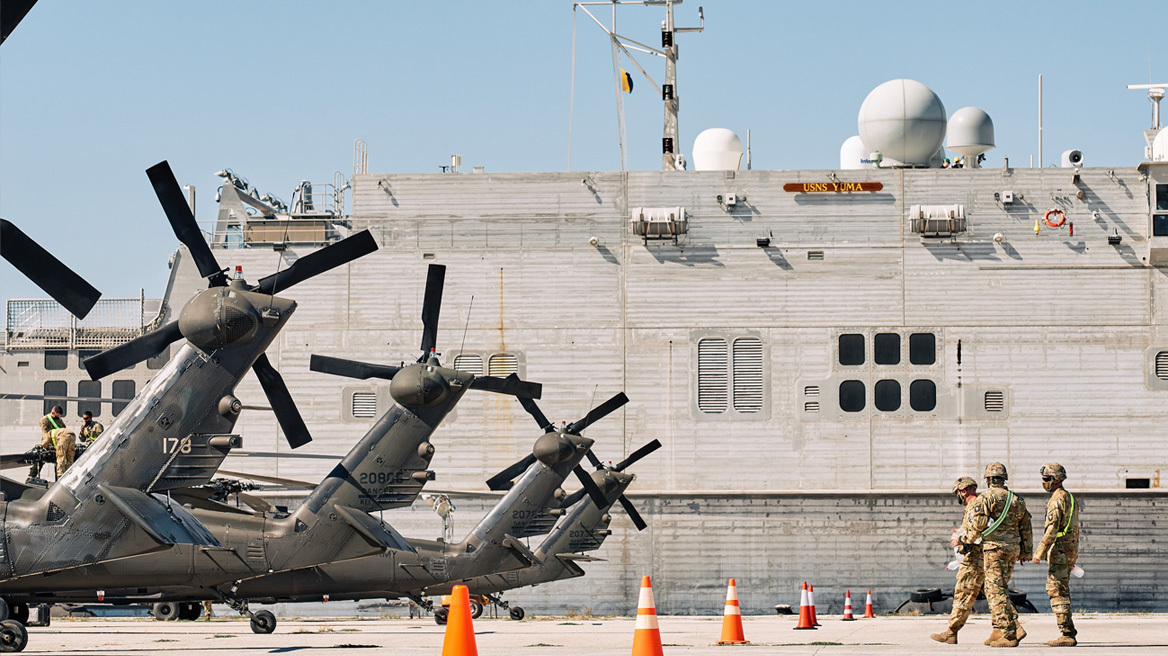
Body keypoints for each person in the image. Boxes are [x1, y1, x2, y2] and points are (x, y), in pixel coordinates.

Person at [963, 462, 1032, 648]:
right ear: (1004, 478)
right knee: (999, 587)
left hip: (995, 549)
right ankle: (1004, 628)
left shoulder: (986, 498)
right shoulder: (1017, 499)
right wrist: (1026, 551)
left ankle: (1009, 633)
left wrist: (966, 539)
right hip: (1013, 549)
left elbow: (979, 523)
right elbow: (1026, 526)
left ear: (988, 479)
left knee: (994, 590)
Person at [931, 476, 986, 644]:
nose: (958, 496)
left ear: (964, 491)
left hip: (974, 558)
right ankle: (1013, 627)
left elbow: (977, 531)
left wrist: (960, 540)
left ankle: (951, 632)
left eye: (958, 492)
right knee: (993, 593)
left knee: (962, 593)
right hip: (977, 557)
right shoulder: (975, 506)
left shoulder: (975, 506)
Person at [1032, 463, 1079, 647]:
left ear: (1056, 479)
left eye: (1046, 479)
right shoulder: (1069, 497)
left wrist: (1039, 553)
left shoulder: (1057, 499)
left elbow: (1052, 530)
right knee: (1062, 589)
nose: (1043, 482)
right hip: (1068, 550)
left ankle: (1067, 633)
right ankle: (1068, 631)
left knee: (1056, 590)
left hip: (1059, 551)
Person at [38, 405, 77, 478]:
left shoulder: (58, 419)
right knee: (41, 458)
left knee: (65, 457)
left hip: (60, 439)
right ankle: (31, 476)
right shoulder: (45, 420)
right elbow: (45, 434)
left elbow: (63, 429)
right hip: (53, 440)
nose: (58, 417)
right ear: (53, 412)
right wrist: (45, 446)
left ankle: (62, 476)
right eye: (57, 415)